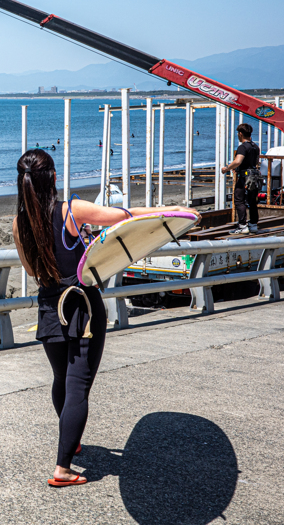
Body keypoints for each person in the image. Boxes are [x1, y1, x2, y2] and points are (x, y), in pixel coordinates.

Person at [13, 148, 195, 487]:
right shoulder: (70, 209)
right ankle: (63, 469)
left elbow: (32, 269)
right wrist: (171, 212)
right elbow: (125, 215)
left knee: (61, 380)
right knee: (78, 387)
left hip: (50, 306)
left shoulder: (18, 224)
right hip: (82, 306)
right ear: (52, 177)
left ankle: (71, 439)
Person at [222, 122, 261, 234]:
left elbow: (238, 161)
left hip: (245, 177)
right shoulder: (255, 146)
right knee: (253, 201)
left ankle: (242, 226)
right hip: (254, 176)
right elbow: (255, 162)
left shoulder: (242, 147)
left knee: (239, 200)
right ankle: (253, 224)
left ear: (240, 134)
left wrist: (227, 168)